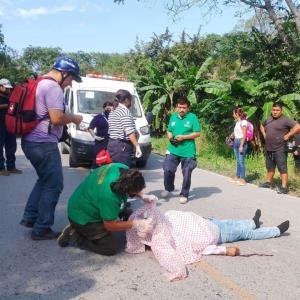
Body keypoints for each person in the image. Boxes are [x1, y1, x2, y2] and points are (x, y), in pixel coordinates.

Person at [126, 204, 290, 281]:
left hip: (210, 223)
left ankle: (253, 221)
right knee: (245, 233)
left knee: (232, 223)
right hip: (217, 234)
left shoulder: (166, 218)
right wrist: (224, 250)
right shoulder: (165, 240)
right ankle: (276, 231)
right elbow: (201, 250)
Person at [20, 57, 83, 240]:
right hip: (43, 144)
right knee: (54, 185)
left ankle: (30, 217)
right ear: (64, 74)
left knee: (44, 180)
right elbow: (56, 119)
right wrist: (74, 118)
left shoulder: (41, 83)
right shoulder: (53, 87)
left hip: (31, 141)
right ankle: (42, 228)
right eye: (71, 79)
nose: (70, 84)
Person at [57, 163, 156, 256]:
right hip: (82, 216)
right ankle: (75, 235)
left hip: (85, 201)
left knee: (128, 212)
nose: (136, 194)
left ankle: (85, 226)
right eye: (134, 193)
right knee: (109, 248)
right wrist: (137, 224)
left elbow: (131, 185)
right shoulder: (109, 196)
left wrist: (143, 195)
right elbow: (110, 225)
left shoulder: (122, 169)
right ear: (124, 190)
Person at [161, 96, 201, 204]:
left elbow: (197, 133)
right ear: (176, 108)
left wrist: (184, 137)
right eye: (180, 107)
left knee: (187, 173)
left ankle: (184, 194)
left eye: (184, 107)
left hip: (188, 151)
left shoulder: (192, 117)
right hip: (173, 149)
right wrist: (170, 138)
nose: (182, 109)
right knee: (167, 169)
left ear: (188, 108)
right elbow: (169, 131)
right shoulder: (173, 117)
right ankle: (168, 188)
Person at [259, 102, 300, 194]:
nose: (275, 112)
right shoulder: (269, 119)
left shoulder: (285, 120)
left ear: (281, 111)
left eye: (277, 110)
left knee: (282, 167)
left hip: (280, 148)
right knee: (270, 167)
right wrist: (264, 134)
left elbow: (298, 126)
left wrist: (288, 135)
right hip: (269, 147)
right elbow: (262, 125)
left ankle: (284, 187)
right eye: (273, 110)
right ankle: (268, 182)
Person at [107, 89, 142, 167]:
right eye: (130, 100)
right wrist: (137, 145)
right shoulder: (124, 111)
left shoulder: (114, 110)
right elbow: (129, 131)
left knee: (113, 171)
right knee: (122, 172)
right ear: (126, 100)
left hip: (112, 144)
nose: (131, 103)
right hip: (121, 146)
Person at [0, 78, 22, 176]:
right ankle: (1, 168)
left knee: (11, 146)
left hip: (9, 124)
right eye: (6, 88)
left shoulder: (9, 96)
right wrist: (8, 105)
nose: (8, 90)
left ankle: (11, 166)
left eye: (9, 88)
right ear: (0, 86)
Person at [88, 101, 113, 169]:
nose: (108, 110)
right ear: (103, 108)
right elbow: (90, 128)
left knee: (109, 160)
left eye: (110, 109)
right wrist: (95, 136)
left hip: (110, 142)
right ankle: (94, 173)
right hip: (100, 141)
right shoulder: (98, 117)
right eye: (107, 108)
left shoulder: (114, 117)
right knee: (98, 159)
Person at [229, 107, 248, 186]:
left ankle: (243, 179)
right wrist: (232, 135)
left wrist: (241, 145)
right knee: (238, 161)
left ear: (237, 114)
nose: (233, 115)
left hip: (241, 142)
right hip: (236, 141)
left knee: (241, 161)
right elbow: (237, 132)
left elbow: (244, 135)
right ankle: (237, 176)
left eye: (233, 113)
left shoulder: (244, 122)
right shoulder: (237, 122)